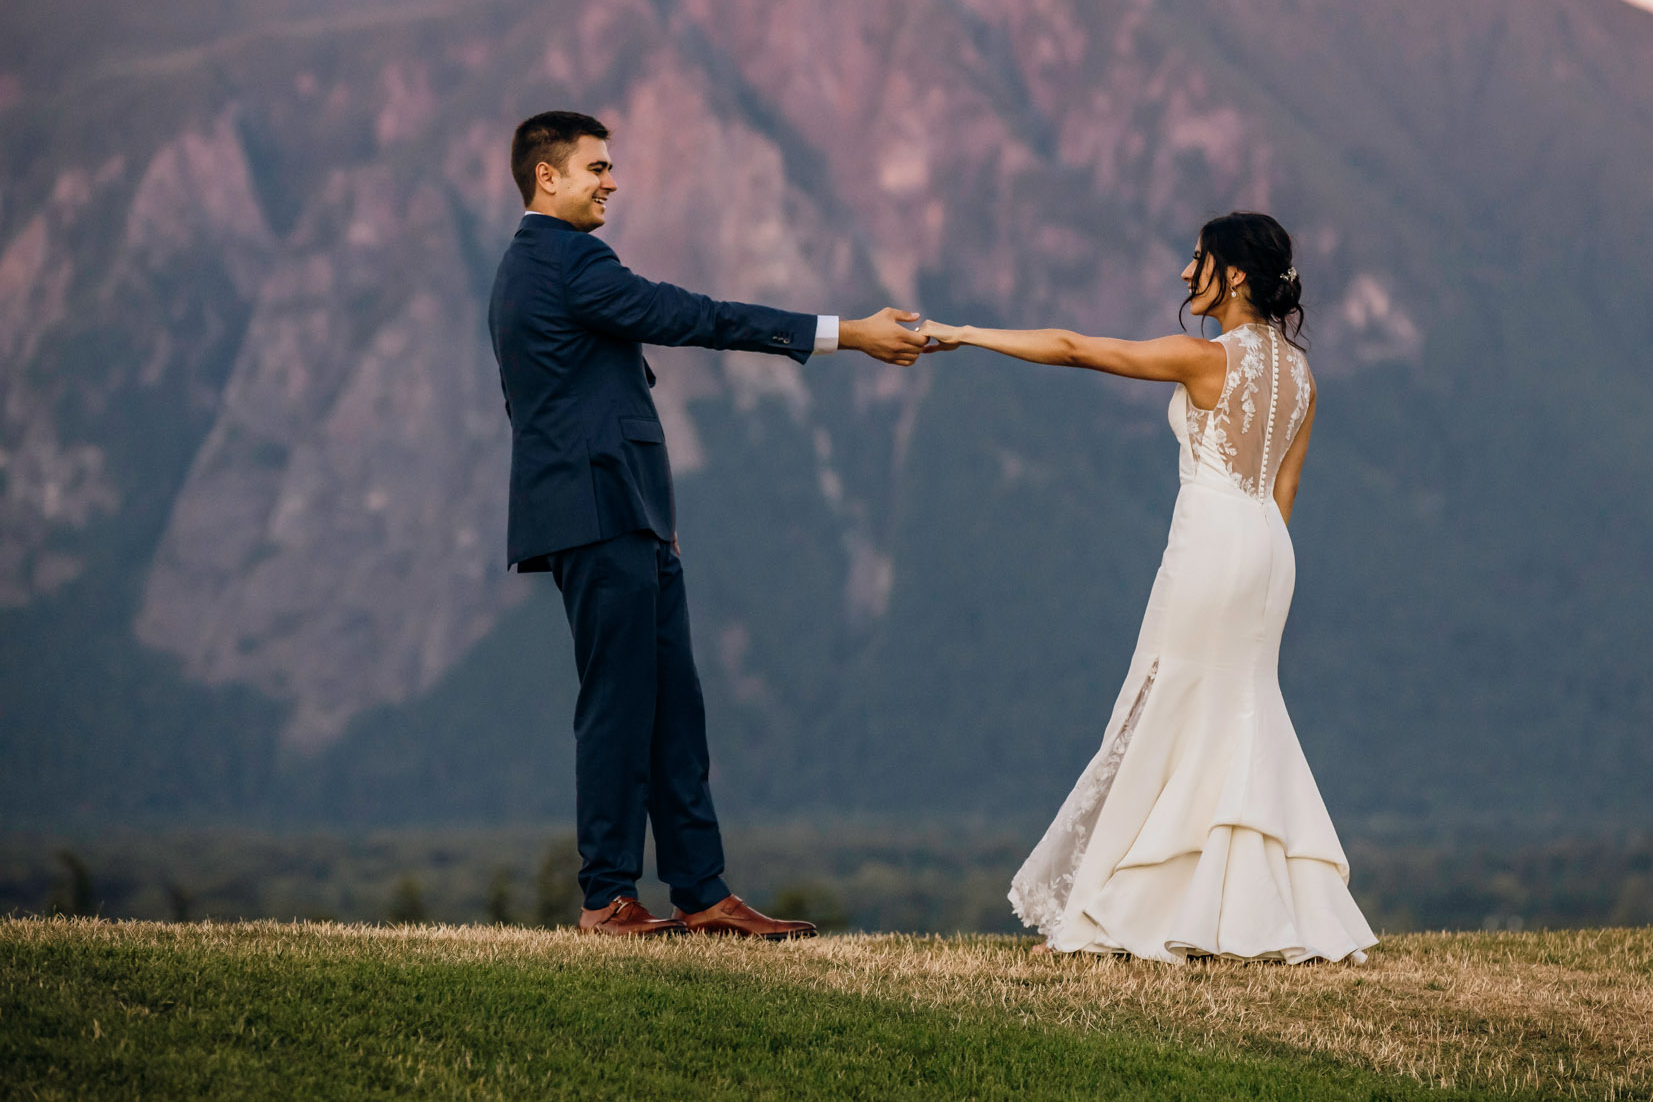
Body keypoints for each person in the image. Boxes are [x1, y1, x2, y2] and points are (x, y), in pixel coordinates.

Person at [489, 110, 926, 937]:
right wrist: (847, 334)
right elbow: (696, 316)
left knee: (674, 706)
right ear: (547, 176)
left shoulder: (530, 268)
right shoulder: (565, 259)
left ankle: (701, 890)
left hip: (628, 514)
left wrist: (649, 514)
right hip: (601, 514)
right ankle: (605, 897)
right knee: (619, 703)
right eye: (597, 168)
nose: (611, 181)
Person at [920, 211, 1377, 964]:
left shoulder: (1208, 359)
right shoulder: (1303, 378)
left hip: (1212, 544)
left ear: (1232, 276)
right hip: (1268, 549)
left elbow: (1073, 348)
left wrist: (966, 332)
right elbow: (1283, 491)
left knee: (1164, 699)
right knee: (1238, 707)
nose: (1183, 273)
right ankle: (1243, 909)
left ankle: (1110, 916)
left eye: (1197, 260)